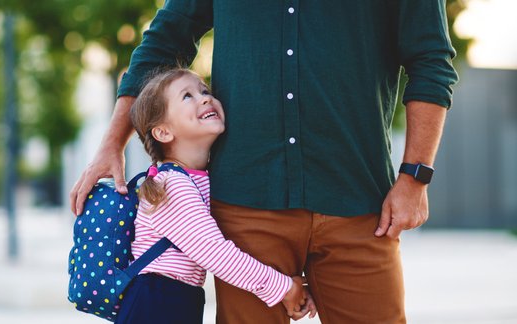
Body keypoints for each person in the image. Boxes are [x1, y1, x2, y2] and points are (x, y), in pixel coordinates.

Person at [70, 1, 458, 323]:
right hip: (247, 204)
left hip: (358, 204)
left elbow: (431, 61)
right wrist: (111, 142)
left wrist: (415, 176)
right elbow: (163, 42)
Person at [114, 68, 316, 324]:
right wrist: (284, 288)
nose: (205, 98)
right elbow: (217, 253)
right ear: (163, 132)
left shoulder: (196, 178)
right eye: (187, 96)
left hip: (174, 300)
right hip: (156, 303)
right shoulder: (172, 186)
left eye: (205, 91)